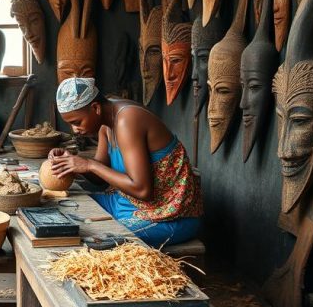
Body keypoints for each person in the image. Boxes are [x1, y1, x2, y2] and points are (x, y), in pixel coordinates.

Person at [48, 77, 202, 247]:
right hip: (125, 203)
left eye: (76, 122)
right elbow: (101, 178)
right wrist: (72, 165)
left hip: (165, 216)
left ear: (95, 108)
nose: (74, 129)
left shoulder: (127, 120)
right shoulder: (106, 123)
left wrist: (89, 164)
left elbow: (143, 190)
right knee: (63, 210)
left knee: (95, 240)